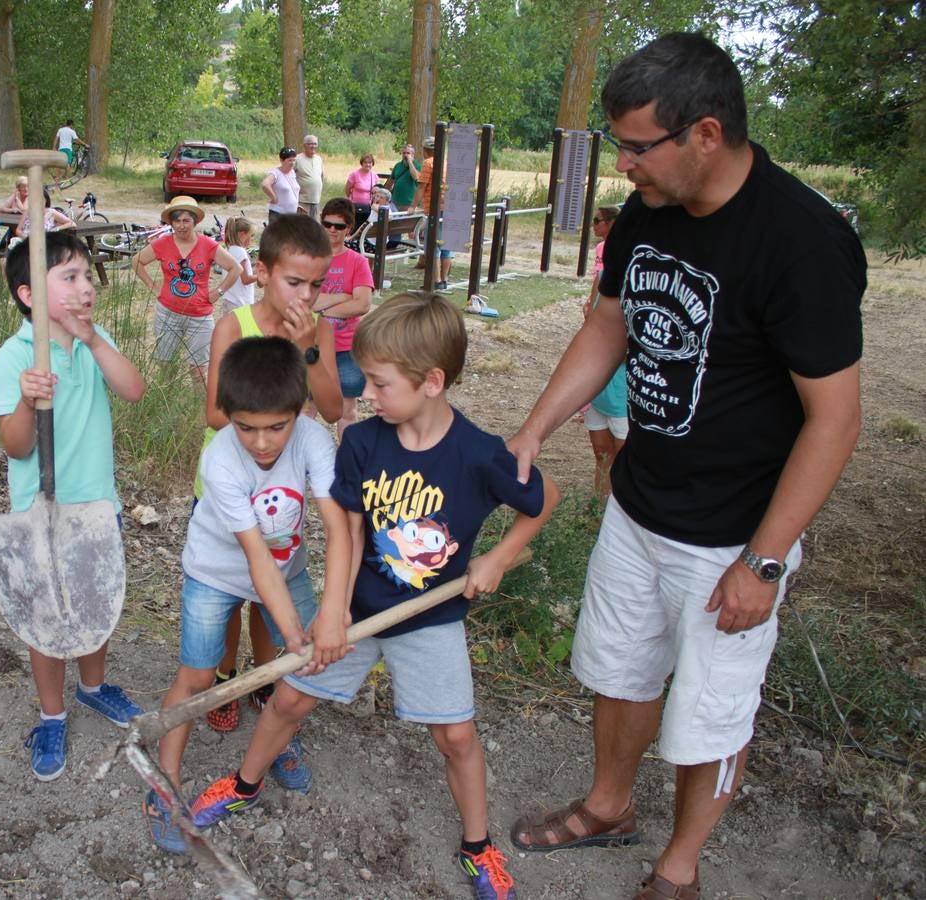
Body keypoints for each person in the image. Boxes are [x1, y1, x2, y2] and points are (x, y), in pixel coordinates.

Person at [505, 33, 864, 900]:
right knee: (618, 669)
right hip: (640, 504)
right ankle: (606, 807)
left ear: (705, 133)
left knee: (710, 712)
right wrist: (535, 428)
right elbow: (607, 325)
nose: (624, 165)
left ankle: (680, 865)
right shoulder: (648, 212)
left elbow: (835, 419)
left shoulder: (802, 240)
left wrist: (765, 559)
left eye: (636, 145)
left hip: (732, 535)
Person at [190, 294, 559, 900]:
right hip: (358, 612)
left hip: (430, 618)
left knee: (457, 737)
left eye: (381, 384)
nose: (368, 395)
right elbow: (351, 529)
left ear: (432, 382)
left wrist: (498, 555)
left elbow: (547, 498)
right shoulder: (363, 441)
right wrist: (332, 612)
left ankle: (478, 847)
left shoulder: (479, 453)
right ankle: (245, 783)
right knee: (287, 701)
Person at [144, 336, 353, 853]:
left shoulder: (314, 440)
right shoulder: (220, 459)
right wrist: (297, 634)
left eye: (275, 427)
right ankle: (163, 782)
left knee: (303, 662)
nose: (261, 443)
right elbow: (256, 560)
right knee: (195, 674)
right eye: (246, 428)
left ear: (298, 410)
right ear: (227, 416)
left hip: (291, 569)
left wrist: (331, 613)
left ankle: (277, 739)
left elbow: (338, 527)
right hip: (217, 570)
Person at [0, 231, 147, 780]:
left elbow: (134, 391)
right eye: (70, 277)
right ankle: (51, 714)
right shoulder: (13, 357)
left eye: (86, 276)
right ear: (29, 294)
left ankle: (94, 687)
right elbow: (15, 445)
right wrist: (29, 400)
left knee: (95, 603)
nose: (85, 288)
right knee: (46, 615)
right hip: (43, 513)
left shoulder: (93, 338)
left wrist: (95, 340)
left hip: (97, 505)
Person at [197, 214, 347, 735]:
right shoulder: (234, 326)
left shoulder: (319, 331)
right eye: (294, 281)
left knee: (273, 584)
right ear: (262, 271)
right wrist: (274, 411)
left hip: (284, 493)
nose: (305, 295)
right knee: (230, 591)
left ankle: (265, 675)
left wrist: (308, 352)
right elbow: (216, 415)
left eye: (316, 285)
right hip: (232, 487)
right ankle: (225, 673)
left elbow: (331, 408)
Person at [133, 196, 241, 388]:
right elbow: (137, 262)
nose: (181, 226)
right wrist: (154, 288)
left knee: (199, 370)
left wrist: (218, 292)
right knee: (165, 364)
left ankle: (200, 412)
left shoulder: (208, 244)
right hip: (168, 313)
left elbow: (236, 269)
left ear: (195, 222)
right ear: (171, 222)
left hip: (199, 316)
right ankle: (168, 402)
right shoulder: (162, 243)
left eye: (186, 221)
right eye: (177, 221)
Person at [312, 198, 375, 434]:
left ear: (349, 228)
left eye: (339, 226)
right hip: (313, 345)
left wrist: (322, 309)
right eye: (327, 224)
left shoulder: (358, 262)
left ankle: (346, 464)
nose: (332, 230)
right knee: (307, 409)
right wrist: (343, 297)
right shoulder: (311, 259)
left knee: (347, 412)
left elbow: (363, 304)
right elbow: (306, 300)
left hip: (347, 346)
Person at [582, 204, 626, 501]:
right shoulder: (603, 279)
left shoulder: (639, 287)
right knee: (602, 455)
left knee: (624, 463)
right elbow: (591, 323)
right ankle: (598, 510)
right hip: (599, 387)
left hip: (622, 392)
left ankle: (618, 512)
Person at [416, 136, 454, 292]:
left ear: (425, 150)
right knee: (446, 246)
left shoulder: (428, 163)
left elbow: (421, 187)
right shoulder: (446, 163)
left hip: (435, 208)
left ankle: (436, 281)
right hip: (449, 207)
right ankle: (444, 280)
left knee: (433, 245)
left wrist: (413, 206)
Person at [219, 215, 257, 316]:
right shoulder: (241, 252)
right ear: (242, 234)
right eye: (251, 235)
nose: (252, 239)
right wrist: (262, 275)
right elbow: (246, 279)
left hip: (230, 300)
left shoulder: (228, 250)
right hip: (241, 303)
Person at [261, 147, 301, 223]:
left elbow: (293, 190)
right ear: (282, 160)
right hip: (278, 214)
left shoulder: (292, 173)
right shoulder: (276, 173)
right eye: (289, 160)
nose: (292, 163)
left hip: (292, 214)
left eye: (294, 160)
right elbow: (265, 184)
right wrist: (274, 197)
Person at [344, 153, 380, 227]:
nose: (368, 164)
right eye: (365, 162)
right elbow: (347, 189)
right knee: (354, 226)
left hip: (368, 207)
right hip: (355, 207)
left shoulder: (374, 176)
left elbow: (378, 191)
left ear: (372, 163)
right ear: (362, 163)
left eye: (370, 162)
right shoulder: (354, 175)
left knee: (365, 228)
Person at [294, 134, 324, 220]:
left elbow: (321, 177)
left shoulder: (319, 159)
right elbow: (290, 178)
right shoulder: (297, 159)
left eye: (315, 144)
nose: (313, 146)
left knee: (315, 226)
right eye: (310, 143)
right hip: (302, 201)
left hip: (316, 200)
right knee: (302, 227)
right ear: (304, 145)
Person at [385, 142, 420, 211]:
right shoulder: (398, 165)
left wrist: (410, 162)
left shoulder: (417, 166)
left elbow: (416, 177)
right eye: (404, 153)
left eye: (408, 153)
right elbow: (390, 181)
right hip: (395, 202)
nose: (405, 155)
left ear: (413, 154)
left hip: (409, 203)